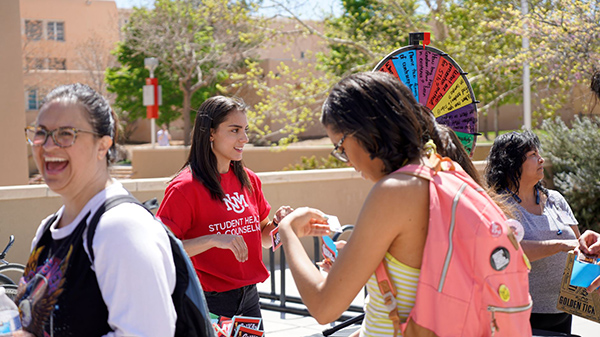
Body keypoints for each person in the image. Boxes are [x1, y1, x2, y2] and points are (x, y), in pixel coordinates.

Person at [277, 71, 501, 336]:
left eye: (341, 147)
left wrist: (287, 231)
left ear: (364, 131)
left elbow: (324, 307)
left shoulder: (394, 191)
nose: (347, 160)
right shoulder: (445, 173)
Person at [16, 83, 176, 336]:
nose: (47, 145)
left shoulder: (121, 229)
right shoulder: (49, 228)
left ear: (102, 146)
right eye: (41, 132)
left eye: (66, 133)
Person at [157, 96, 291, 321]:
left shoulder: (249, 180)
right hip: (208, 301)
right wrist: (214, 239)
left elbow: (263, 238)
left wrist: (280, 224)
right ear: (210, 133)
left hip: (249, 298)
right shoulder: (184, 187)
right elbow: (163, 249)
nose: (244, 138)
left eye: (245, 130)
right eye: (235, 130)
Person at [485, 130, 580, 334]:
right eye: (532, 155)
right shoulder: (497, 204)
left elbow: (577, 245)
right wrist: (559, 246)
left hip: (564, 309)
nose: (541, 159)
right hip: (521, 312)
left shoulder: (555, 199)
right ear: (511, 163)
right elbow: (505, 252)